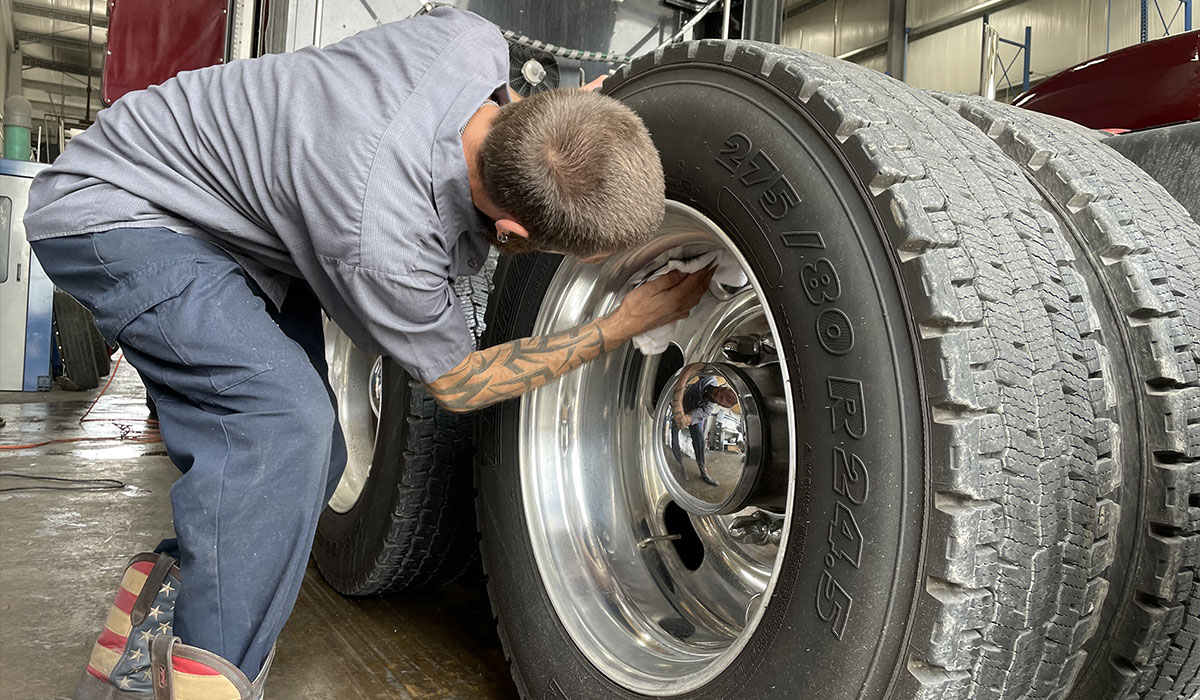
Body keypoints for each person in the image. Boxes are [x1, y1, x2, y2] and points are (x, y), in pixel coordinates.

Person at [25, 8, 712, 699]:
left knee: (313, 457)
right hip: (119, 206)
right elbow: (461, 385)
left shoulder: (469, 38)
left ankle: (167, 609)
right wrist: (619, 325)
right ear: (509, 227)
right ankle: (194, 683)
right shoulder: (380, 242)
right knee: (280, 428)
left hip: (224, 208)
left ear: (580, 94)